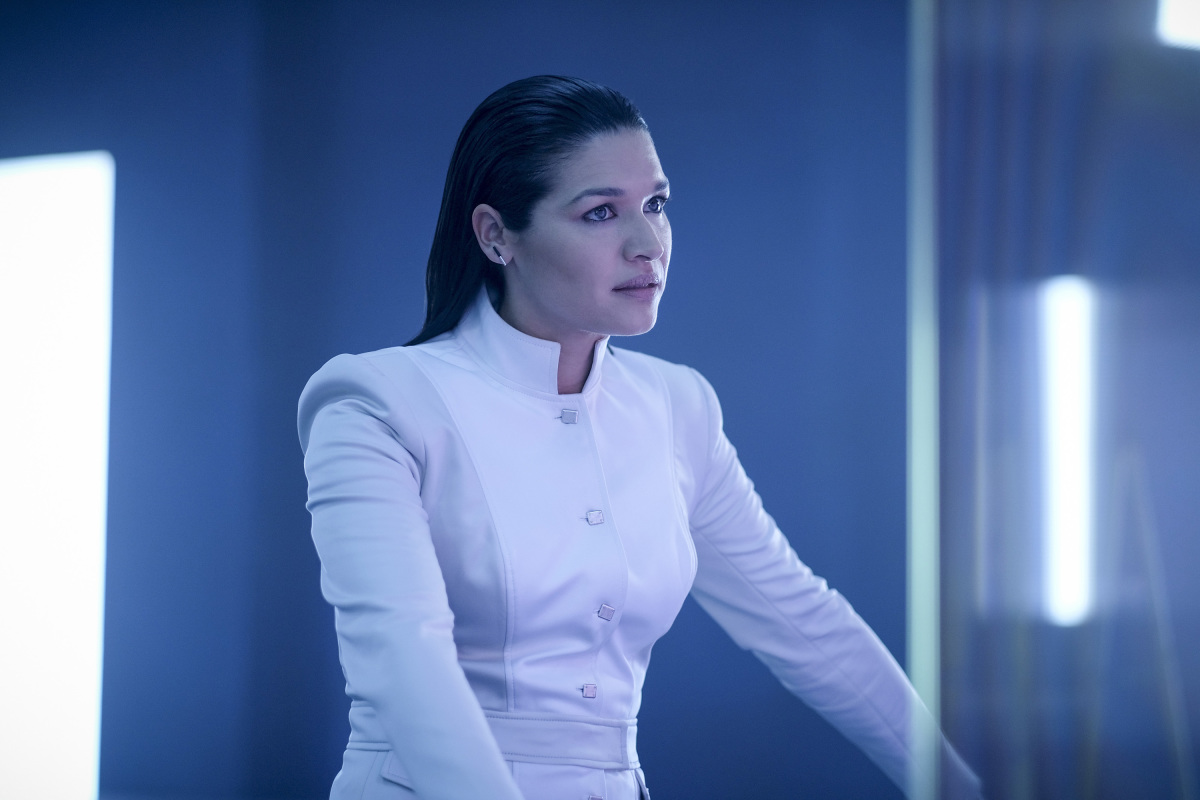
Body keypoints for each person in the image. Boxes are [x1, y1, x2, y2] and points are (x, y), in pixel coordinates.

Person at [297, 75, 979, 800]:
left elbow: (805, 625)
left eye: (656, 204)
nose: (648, 244)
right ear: (496, 235)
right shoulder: (378, 401)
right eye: (600, 213)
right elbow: (403, 655)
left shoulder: (676, 406)